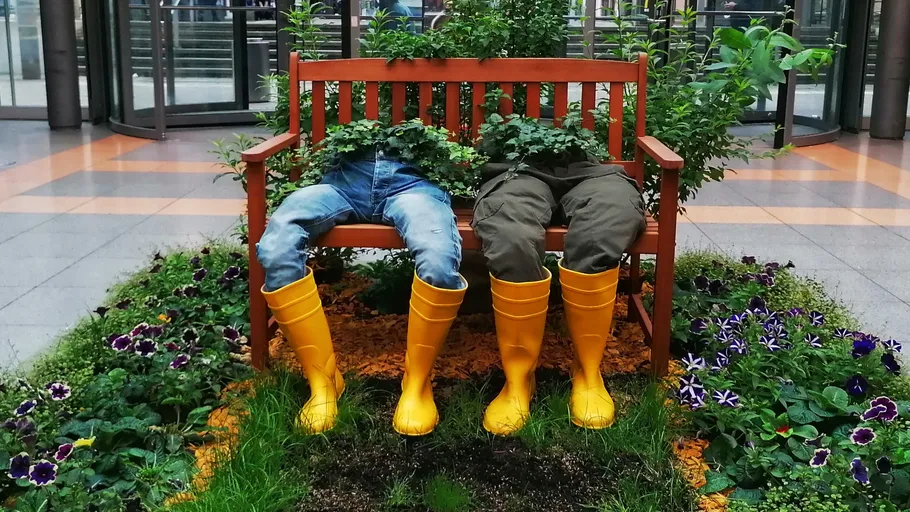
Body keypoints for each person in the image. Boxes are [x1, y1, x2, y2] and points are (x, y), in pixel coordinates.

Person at [257, 124, 469, 436]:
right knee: (277, 248)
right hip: (342, 183)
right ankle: (323, 383)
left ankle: (417, 384)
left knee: (438, 261)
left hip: (413, 186)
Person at [471, 122, 646, 436]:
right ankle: (518, 380)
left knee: (605, 225)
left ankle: (588, 373)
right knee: (511, 235)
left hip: (595, 173)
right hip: (517, 170)